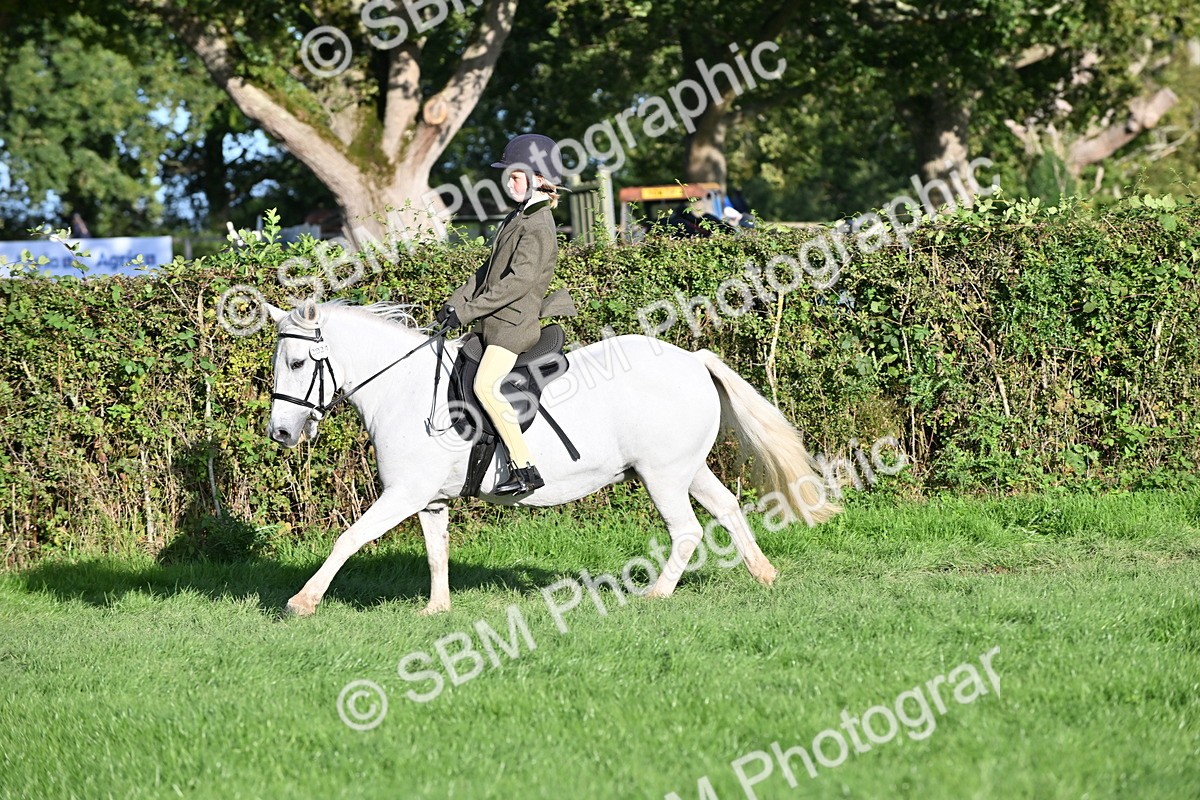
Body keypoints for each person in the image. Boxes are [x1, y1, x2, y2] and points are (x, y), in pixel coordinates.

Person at [435, 134, 575, 495]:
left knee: (485, 386)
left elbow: (516, 283)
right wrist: (456, 303)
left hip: (514, 328)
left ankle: (525, 467)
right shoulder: (517, 217)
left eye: (515, 175)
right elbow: (486, 272)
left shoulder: (539, 225)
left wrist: (466, 312)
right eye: (509, 175)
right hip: (495, 322)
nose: (508, 182)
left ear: (539, 179)